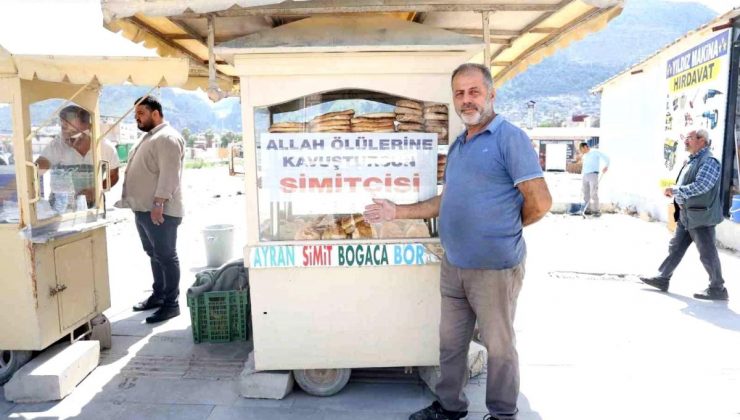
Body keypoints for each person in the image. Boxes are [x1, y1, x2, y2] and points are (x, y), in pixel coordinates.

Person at [364, 63, 552, 420]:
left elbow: (540, 202)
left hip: (494, 267)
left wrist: (505, 227)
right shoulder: (459, 145)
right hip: (454, 264)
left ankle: (502, 413)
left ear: (491, 95)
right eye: (460, 94)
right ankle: (449, 407)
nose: (467, 100)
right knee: (451, 344)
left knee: (500, 347)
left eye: (474, 92)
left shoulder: (509, 138)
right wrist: (395, 212)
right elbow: (445, 200)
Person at [116, 96, 186, 323]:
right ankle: (159, 295)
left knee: (166, 256)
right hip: (144, 210)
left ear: (155, 113)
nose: (137, 118)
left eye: (141, 114)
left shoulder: (167, 138)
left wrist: (158, 204)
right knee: (154, 254)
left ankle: (171, 304)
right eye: (136, 115)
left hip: (160, 211)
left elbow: (169, 175)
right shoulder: (150, 137)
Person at [641, 129, 728, 301]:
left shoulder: (709, 161)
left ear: (702, 140)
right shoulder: (692, 160)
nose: (685, 141)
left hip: (701, 217)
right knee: (675, 247)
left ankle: (718, 288)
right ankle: (662, 278)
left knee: (707, 253)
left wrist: (675, 190)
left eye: (689, 138)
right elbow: (688, 183)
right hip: (687, 215)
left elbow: (702, 186)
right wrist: (676, 193)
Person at [37, 105, 120, 209]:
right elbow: (35, 170)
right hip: (60, 209)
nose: (68, 137)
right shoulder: (56, 146)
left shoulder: (105, 148)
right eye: (64, 129)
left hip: (94, 207)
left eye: (74, 132)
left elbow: (113, 176)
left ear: (89, 127)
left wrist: (96, 190)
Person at [578, 142, 609, 217]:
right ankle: (587, 209)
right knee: (586, 193)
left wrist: (606, 166)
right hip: (585, 175)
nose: (581, 152)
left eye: (582, 149)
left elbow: (606, 158)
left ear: (585, 147)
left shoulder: (595, 151)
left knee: (593, 193)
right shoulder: (585, 155)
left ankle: (596, 211)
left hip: (593, 174)